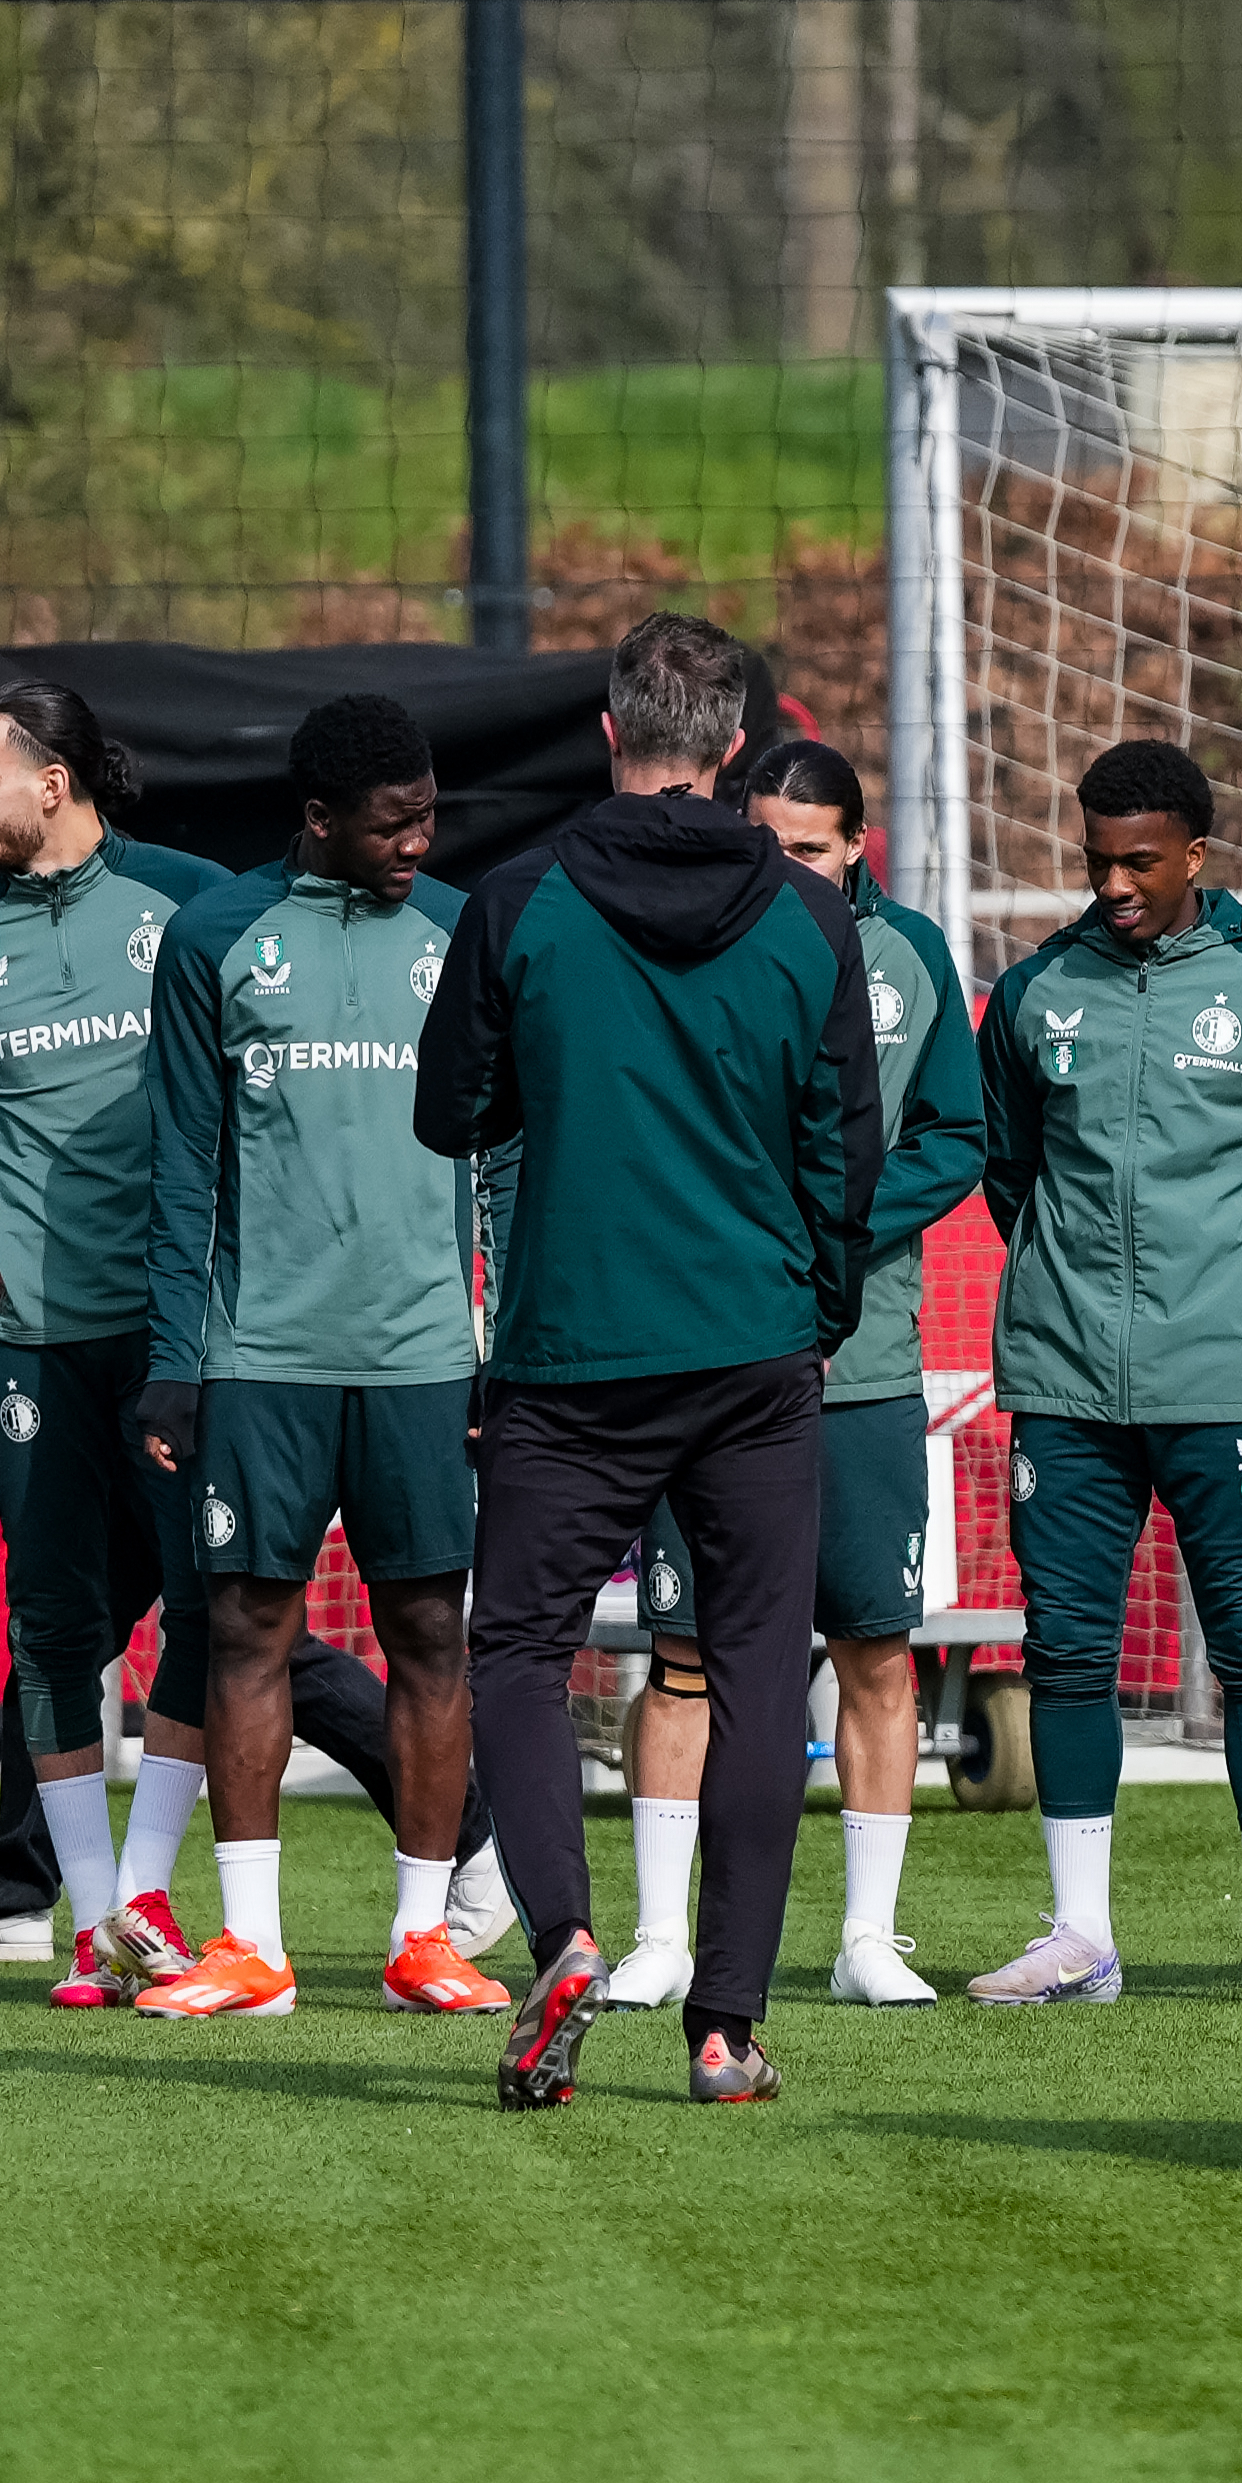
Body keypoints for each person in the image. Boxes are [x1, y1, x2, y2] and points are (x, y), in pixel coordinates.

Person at [422, 611, 881, 2111]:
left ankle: (563, 1934)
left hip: (573, 1344)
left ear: (609, 733)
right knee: (757, 1670)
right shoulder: (814, 920)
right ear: (737, 750)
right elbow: (843, 1154)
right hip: (752, 1345)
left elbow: (453, 1112)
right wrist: (810, 1307)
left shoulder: (520, 899)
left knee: (516, 1649)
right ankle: (725, 2024)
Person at [960, 739, 1242, 2012]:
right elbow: (1007, 1168)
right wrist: (1067, 1287)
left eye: (1141, 860)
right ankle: (1081, 1934)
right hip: (1066, 1377)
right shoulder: (1037, 993)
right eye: (1098, 861)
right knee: (1069, 1645)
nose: (1117, 882)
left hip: (1226, 1378)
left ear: (1199, 852)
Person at [0, 676, 225, 2004]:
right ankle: (77, 1921)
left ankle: (146, 1897)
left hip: (186, 1338)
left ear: (53, 781)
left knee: (203, 1611)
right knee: (56, 1626)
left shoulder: (193, 898)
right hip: (27, 1344)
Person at [128, 694, 500, 2022]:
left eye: (426, 816)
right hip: (259, 1352)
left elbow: (506, 1156)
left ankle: (421, 1937)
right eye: (388, 822)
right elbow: (179, 1167)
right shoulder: (216, 935)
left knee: (426, 1635)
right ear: (318, 817)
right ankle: (251, 1946)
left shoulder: (464, 931)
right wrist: (176, 1356)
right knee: (245, 1628)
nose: (414, 841)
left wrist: (494, 1345)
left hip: (419, 1355)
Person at [614, 733, 984, 2010]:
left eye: (810, 848)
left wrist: (833, 1217)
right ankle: (661, 1934)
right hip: (701, 1353)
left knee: (876, 1650)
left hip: (865, 1364)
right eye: (765, 841)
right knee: (682, 1649)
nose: (785, 866)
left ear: (857, 848)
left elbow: (957, 1134)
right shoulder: (696, 933)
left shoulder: (912, 954)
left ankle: (868, 1936)